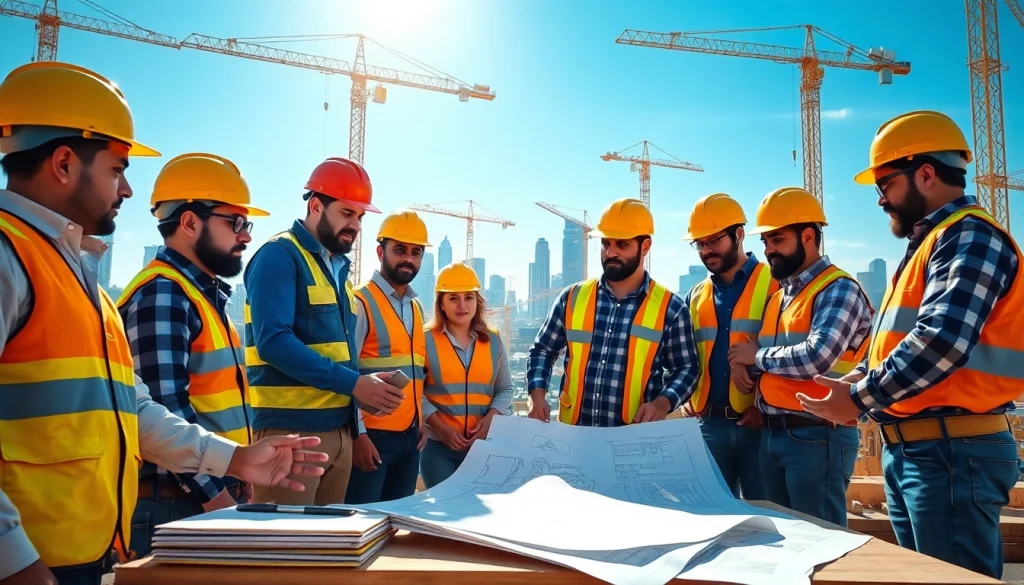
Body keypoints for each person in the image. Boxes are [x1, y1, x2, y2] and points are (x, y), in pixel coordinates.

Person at [0, 61, 328, 585]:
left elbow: (136, 408)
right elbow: (171, 402)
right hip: (45, 559)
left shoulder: (78, 276)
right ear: (64, 163)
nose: (128, 190)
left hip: (86, 551)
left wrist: (238, 460)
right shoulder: (11, 257)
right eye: (116, 169)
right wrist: (14, 562)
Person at [799, 111, 1023, 580]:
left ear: (926, 173)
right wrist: (858, 379)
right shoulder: (931, 244)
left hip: (953, 453)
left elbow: (940, 340)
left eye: (886, 183)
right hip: (922, 451)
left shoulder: (971, 236)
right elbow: (904, 343)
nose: (880, 199)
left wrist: (857, 398)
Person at [116, 153, 270, 557]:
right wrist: (218, 498)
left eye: (246, 224)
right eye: (235, 222)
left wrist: (239, 472)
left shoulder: (200, 294)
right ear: (189, 222)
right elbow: (167, 409)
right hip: (177, 504)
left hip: (207, 493)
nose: (246, 235)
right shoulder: (162, 293)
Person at [243, 156, 405, 506]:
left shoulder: (338, 270)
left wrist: (368, 385)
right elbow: (274, 342)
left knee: (320, 555)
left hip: (339, 433)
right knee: (282, 552)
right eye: (347, 213)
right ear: (316, 206)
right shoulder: (279, 256)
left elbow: (335, 354)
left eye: (360, 217)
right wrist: (354, 384)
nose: (356, 226)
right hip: (291, 436)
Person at [725, 187, 874, 527]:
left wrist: (757, 357)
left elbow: (817, 357)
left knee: (819, 540)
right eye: (764, 242)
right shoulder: (782, 297)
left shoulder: (838, 289)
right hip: (773, 433)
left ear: (808, 236)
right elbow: (766, 354)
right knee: (783, 539)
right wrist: (744, 366)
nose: (768, 250)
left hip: (817, 435)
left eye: (776, 239)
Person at [527, 197, 699, 426]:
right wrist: (536, 394)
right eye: (606, 243)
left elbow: (687, 368)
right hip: (575, 434)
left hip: (634, 437)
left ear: (645, 247)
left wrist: (663, 403)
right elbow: (543, 350)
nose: (610, 253)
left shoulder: (671, 308)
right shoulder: (572, 298)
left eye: (622, 244)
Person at [679, 193, 779, 500]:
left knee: (767, 519)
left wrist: (762, 404)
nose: (706, 250)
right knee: (713, 518)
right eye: (700, 243)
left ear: (739, 234)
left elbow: (787, 348)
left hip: (759, 425)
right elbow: (686, 357)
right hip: (708, 424)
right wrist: (686, 397)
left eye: (714, 240)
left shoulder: (776, 282)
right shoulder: (696, 295)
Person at [346, 210, 430, 504]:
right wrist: (358, 435)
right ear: (380, 251)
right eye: (400, 250)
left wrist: (419, 421)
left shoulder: (417, 308)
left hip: (410, 438)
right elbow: (346, 373)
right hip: (373, 437)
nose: (408, 258)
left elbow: (416, 371)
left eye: (415, 252)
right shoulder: (361, 301)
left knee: (397, 524)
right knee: (363, 521)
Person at [420, 263, 513, 488]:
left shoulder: (493, 340)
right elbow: (415, 393)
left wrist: (490, 419)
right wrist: (441, 428)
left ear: (477, 301)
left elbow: (505, 389)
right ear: (441, 303)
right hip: (438, 449)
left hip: (485, 448)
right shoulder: (424, 340)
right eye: (453, 298)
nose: (462, 305)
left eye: (469, 297)